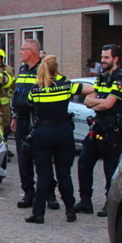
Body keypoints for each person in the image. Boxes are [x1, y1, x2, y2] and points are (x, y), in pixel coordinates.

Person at [74, 44, 122, 218]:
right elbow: (87, 101)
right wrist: (98, 102)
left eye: (106, 57)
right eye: (102, 57)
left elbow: (107, 104)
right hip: (97, 127)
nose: (103, 60)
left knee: (110, 169)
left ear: (116, 59)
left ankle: (111, 203)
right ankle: (85, 201)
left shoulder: (121, 79)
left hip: (113, 131)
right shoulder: (101, 78)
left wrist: (98, 102)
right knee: (84, 162)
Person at [24, 55, 81, 224]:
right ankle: (70, 211)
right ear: (57, 69)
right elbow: (87, 89)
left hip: (43, 132)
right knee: (64, 173)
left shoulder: (36, 89)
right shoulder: (66, 86)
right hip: (64, 131)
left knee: (43, 174)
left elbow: (30, 104)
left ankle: (38, 213)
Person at [11, 39, 58, 211]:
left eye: (22, 49)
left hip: (37, 121)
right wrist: (15, 116)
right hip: (22, 120)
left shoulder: (43, 69)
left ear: (31, 51)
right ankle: (28, 193)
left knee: (43, 160)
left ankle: (49, 194)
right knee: (24, 160)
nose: (20, 53)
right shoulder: (23, 69)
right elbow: (17, 95)